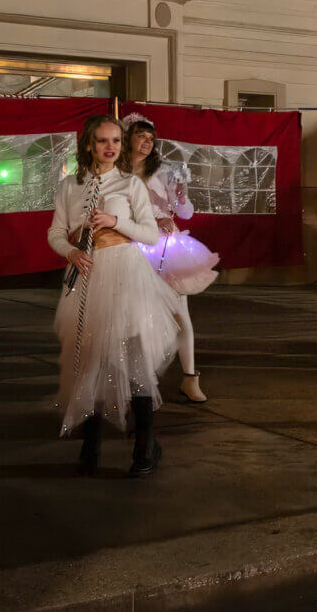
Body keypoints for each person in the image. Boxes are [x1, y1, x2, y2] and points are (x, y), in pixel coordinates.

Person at [48, 114, 181, 476]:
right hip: (88, 274)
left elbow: (151, 235)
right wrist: (71, 252)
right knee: (91, 358)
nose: (110, 148)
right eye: (103, 141)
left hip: (126, 276)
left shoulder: (129, 185)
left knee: (134, 358)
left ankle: (144, 447)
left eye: (116, 141)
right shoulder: (68, 188)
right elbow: (56, 233)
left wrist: (115, 222)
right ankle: (90, 446)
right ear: (89, 144)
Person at [120, 115, 219, 404]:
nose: (147, 143)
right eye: (141, 137)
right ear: (128, 139)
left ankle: (190, 378)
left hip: (164, 248)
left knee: (180, 315)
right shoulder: (117, 173)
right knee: (136, 318)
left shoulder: (163, 172)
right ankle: (140, 380)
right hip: (132, 246)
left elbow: (185, 212)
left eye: (151, 139)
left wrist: (178, 197)